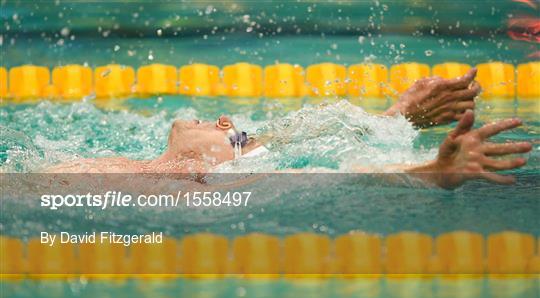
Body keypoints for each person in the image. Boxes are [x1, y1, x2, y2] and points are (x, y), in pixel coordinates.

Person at [46, 69, 532, 189]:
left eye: (233, 134)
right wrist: (395, 116)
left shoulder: (187, 188)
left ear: (207, 164)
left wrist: (430, 170)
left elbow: (349, 173)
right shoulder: (145, 173)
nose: (223, 122)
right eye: (234, 131)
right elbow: (297, 135)